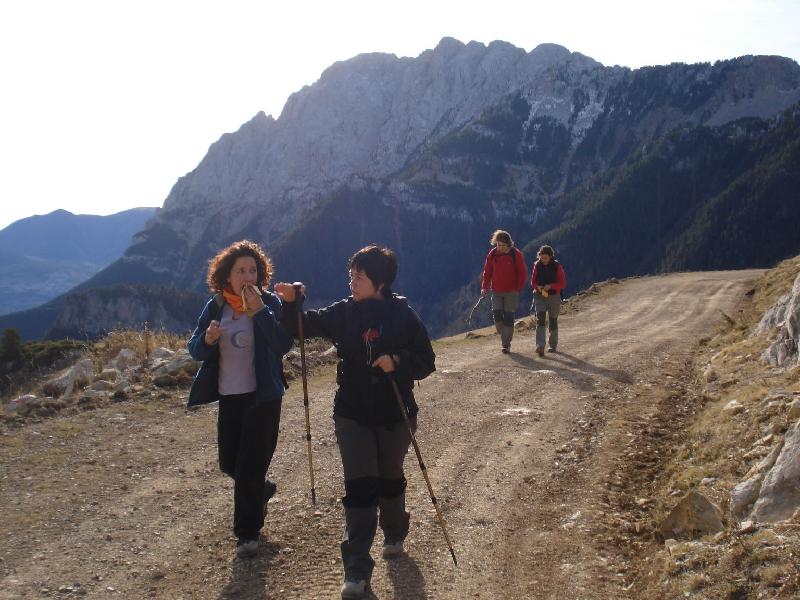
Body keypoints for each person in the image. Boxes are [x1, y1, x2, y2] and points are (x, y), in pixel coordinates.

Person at [275, 245, 435, 600]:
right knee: (360, 486)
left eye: (359, 277)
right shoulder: (344, 312)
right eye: (351, 276)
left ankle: (395, 530)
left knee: (389, 478)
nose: (352, 282)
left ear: (380, 282)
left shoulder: (402, 314)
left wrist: (397, 360)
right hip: (352, 414)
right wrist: (291, 303)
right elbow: (302, 328)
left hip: (395, 413)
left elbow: (427, 360)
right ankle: (357, 570)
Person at [187, 240, 293, 558]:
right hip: (229, 396)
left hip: (263, 397)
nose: (248, 277)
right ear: (227, 276)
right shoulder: (217, 306)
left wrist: (259, 311)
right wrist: (207, 339)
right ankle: (261, 489)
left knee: (249, 466)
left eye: (253, 270)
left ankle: (247, 534)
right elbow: (194, 348)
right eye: (241, 271)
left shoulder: (268, 303)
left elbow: (282, 343)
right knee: (229, 463)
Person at [480, 230, 528, 353]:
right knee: (497, 316)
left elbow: (522, 273)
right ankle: (504, 334)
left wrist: (518, 289)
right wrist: (484, 287)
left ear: (508, 244)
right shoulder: (493, 254)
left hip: (511, 291)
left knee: (508, 317)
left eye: (503, 245)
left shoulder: (515, 254)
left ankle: (506, 344)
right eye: (498, 245)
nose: (500, 247)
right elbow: (487, 271)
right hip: (496, 291)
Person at [529, 244, 567, 356]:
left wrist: (551, 286)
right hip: (540, 295)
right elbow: (533, 282)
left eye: (545, 258)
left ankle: (553, 345)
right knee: (540, 319)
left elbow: (562, 284)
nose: (543, 260)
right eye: (541, 258)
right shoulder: (537, 265)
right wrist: (538, 287)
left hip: (554, 296)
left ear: (550, 257)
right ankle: (540, 346)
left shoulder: (557, 266)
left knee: (553, 320)